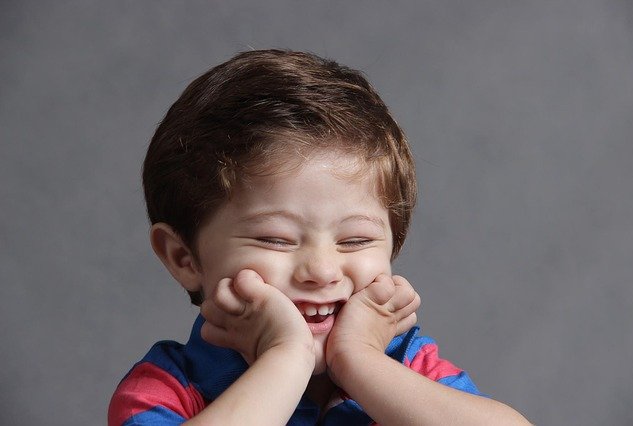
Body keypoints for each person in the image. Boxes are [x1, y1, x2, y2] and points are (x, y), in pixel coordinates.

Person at [108, 49, 531, 425]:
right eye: (276, 239)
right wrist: (285, 358)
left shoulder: (409, 365)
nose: (322, 271)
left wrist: (358, 361)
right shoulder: (167, 388)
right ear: (183, 257)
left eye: (355, 240)